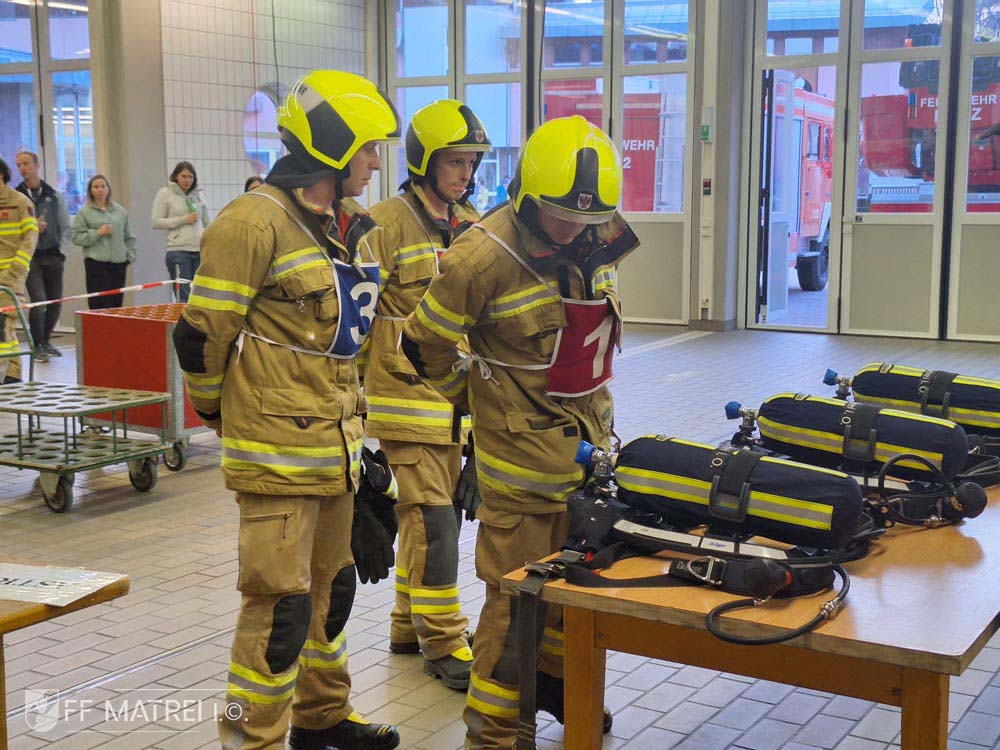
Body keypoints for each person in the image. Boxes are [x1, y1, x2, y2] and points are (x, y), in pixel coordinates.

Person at [172, 70, 403, 750]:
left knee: (331, 593)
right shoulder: (251, 223)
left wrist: (361, 444)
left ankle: (322, 717)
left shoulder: (347, 229)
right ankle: (251, 740)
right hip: (275, 460)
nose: (376, 163)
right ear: (332, 146)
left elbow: (347, 345)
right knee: (279, 612)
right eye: (368, 148)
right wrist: (222, 416)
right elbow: (200, 337)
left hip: (334, 450)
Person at [401, 115, 640, 750]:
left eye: (585, 219)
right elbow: (421, 344)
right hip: (520, 475)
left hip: (586, 460)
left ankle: (554, 690)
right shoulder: (481, 256)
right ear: (527, 192)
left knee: (573, 593)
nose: (573, 229)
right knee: (515, 609)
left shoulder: (597, 235)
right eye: (559, 215)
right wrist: (479, 398)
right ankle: (493, 733)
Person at [363, 99, 490, 691]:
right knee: (435, 520)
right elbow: (356, 321)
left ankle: (405, 625)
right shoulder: (383, 225)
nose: (465, 173)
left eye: (471, 162)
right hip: (403, 400)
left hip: (454, 404)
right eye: (454, 161)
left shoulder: (472, 223)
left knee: (427, 519)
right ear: (425, 161)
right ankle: (443, 640)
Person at [15, 150, 71, 363]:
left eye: (26, 163)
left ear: (37, 165)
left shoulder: (54, 196)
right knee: (38, 301)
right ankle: (36, 344)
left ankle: (46, 340)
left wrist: (62, 252)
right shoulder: (17, 197)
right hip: (30, 257)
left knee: (55, 302)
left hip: (53, 256)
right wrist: (32, 228)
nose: (23, 168)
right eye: (19, 165)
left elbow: (65, 227)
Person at [72, 175, 136, 310]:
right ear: (91, 191)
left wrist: (130, 256)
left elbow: (129, 236)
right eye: (96, 187)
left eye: (103, 186)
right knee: (99, 303)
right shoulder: (84, 212)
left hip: (118, 263)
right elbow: (76, 237)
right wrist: (97, 233)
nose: (100, 190)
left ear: (108, 189)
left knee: (116, 303)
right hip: (96, 264)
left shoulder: (120, 211)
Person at [0, 156, 38, 383]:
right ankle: (12, 373)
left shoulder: (20, 202)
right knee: (6, 328)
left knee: (4, 323)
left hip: (11, 276)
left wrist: (17, 269)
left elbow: (30, 237)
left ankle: (9, 375)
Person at [151, 161, 211, 303]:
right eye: (183, 176)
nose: (187, 180)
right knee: (184, 297)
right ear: (176, 176)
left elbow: (207, 222)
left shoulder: (198, 194)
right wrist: (182, 219)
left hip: (198, 250)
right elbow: (156, 222)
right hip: (178, 250)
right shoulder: (166, 193)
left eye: (190, 177)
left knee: (198, 295)